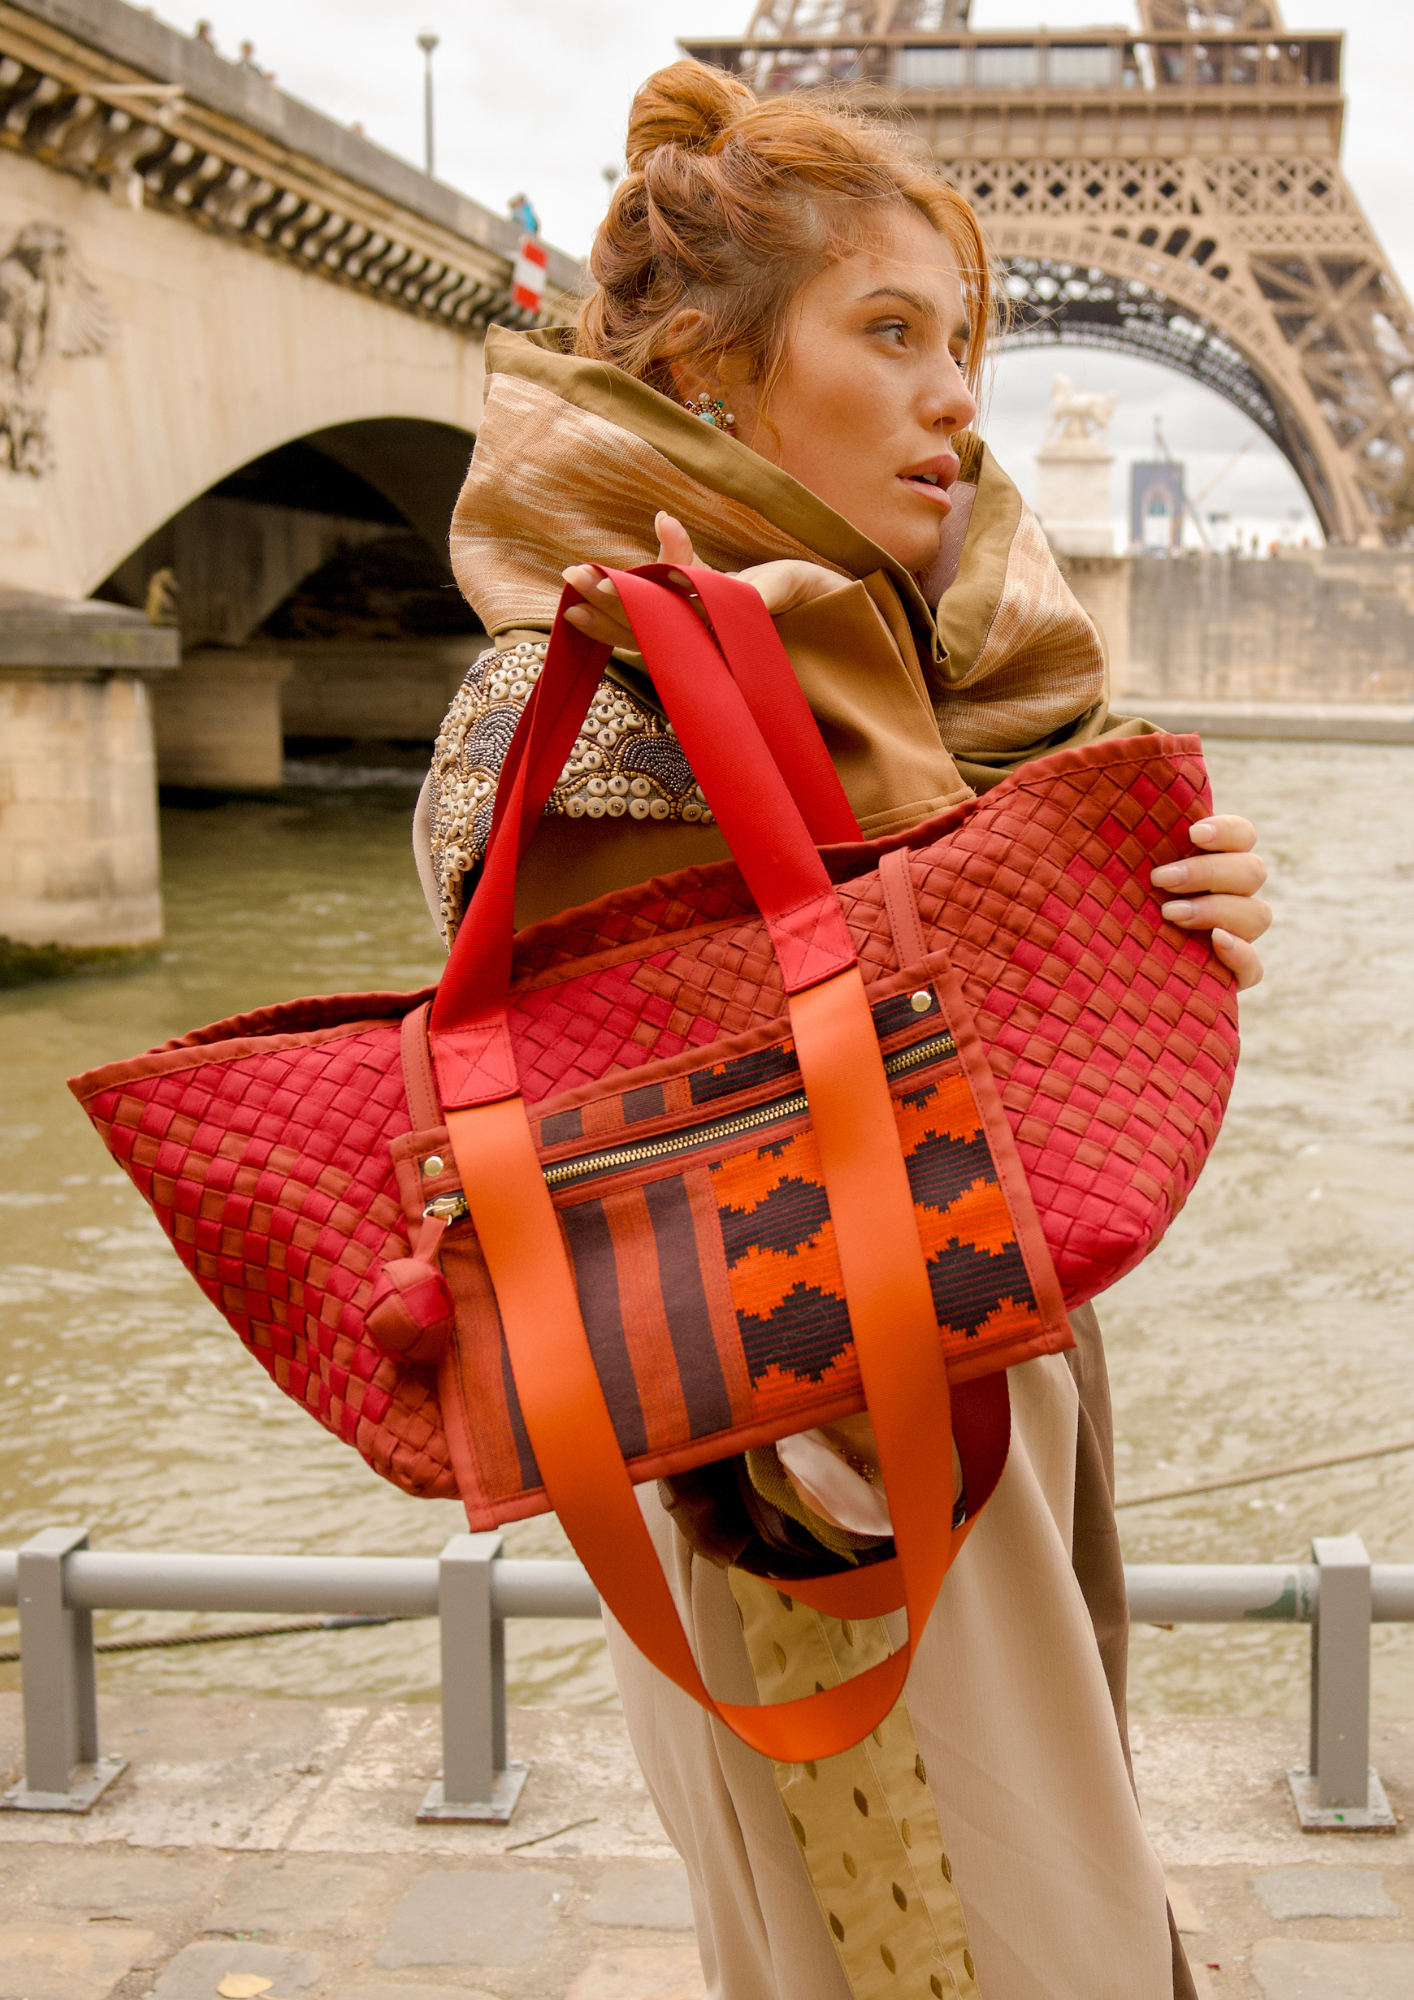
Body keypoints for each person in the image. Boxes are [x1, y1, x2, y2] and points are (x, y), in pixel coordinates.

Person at [414, 59, 1270, 2000]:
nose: (953, 390)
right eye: (886, 333)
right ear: (713, 372)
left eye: (958, 338)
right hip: (812, 1479)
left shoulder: (908, 676)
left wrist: (1165, 922)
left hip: (970, 1408)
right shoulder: (587, 691)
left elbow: (976, 1073)